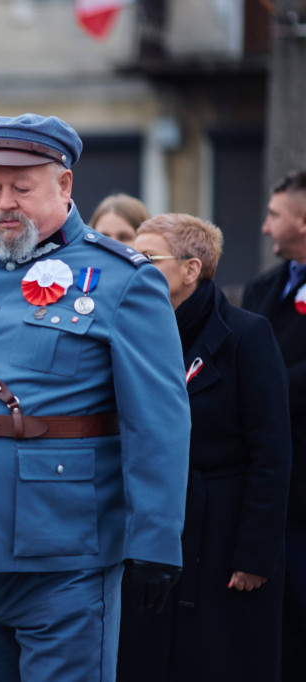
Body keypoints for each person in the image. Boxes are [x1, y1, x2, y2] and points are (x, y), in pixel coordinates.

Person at [0, 113, 190, 682]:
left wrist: (155, 541)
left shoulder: (121, 279)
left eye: (21, 187)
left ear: (64, 185)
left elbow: (157, 422)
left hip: (63, 551)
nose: (4, 202)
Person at [117, 213, 291, 681]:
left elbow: (271, 453)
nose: (134, 267)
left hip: (222, 530)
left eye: (147, 258)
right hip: (147, 524)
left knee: (216, 656)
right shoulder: (128, 333)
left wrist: (255, 555)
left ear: (191, 269)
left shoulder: (246, 335)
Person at [241, 169, 306, 679]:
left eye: (274, 216)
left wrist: (264, 389)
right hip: (270, 493)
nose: (264, 228)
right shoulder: (264, 288)